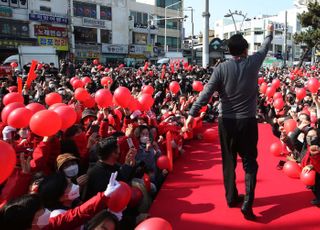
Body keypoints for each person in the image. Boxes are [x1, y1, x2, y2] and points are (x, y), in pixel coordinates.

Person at [186, 24, 274, 220]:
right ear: (245, 50)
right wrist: (269, 33)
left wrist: (192, 114)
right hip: (248, 122)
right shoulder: (254, 62)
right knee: (250, 162)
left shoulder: (221, 68)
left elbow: (206, 93)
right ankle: (248, 203)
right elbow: (265, 47)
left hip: (225, 122)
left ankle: (231, 197)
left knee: (229, 161)